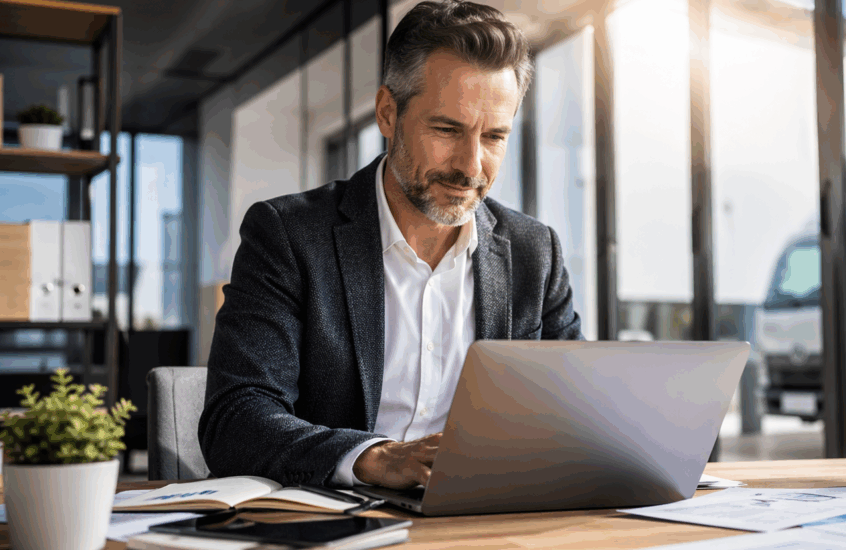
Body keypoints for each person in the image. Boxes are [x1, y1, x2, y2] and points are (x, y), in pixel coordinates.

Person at [199, 0, 583, 491]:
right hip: (333, 519)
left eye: (494, 137)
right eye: (447, 129)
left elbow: (574, 416)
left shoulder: (535, 252)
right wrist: (374, 459)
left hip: (482, 519)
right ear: (387, 113)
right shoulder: (289, 235)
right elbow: (236, 417)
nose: (471, 166)